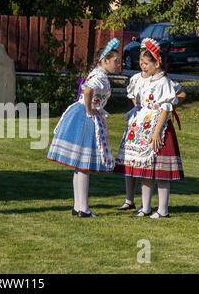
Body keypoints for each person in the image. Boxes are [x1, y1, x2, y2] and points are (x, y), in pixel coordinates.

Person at [47, 38, 121, 218]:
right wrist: (90, 110)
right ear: (105, 61)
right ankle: (83, 208)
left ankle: (79, 207)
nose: (117, 64)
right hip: (86, 118)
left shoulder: (98, 74)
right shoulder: (100, 77)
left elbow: (87, 90)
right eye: (115, 61)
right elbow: (87, 91)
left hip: (82, 115)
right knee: (84, 165)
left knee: (80, 166)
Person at [114, 38, 184, 218]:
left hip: (158, 129)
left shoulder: (164, 82)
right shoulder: (143, 79)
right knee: (145, 170)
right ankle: (145, 207)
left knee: (160, 172)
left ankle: (163, 209)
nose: (143, 66)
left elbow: (165, 108)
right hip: (142, 125)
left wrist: (157, 131)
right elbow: (136, 97)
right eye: (141, 63)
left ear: (156, 62)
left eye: (146, 63)